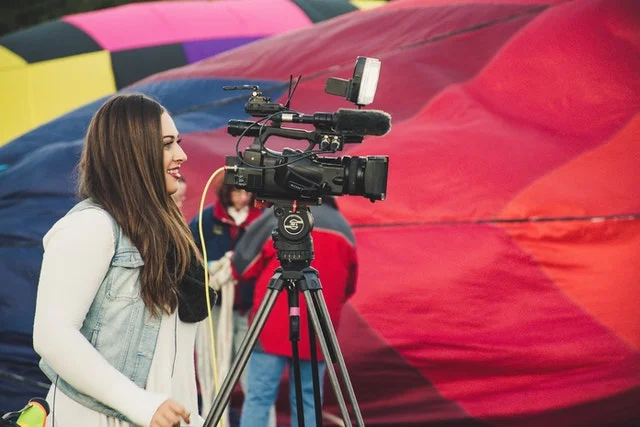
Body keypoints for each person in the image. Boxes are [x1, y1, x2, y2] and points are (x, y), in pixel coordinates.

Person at [33, 93, 213, 427]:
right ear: (133, 152)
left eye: (179, 142)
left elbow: (170, 356)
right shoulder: (90, 226)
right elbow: (52, 335)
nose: (182, 155)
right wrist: (140, 404)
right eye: (167, 144)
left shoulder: (167, 231)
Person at [233, 197, 358, 427]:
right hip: (317, 328)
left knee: (258, 397)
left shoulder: (280, 216)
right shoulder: (343, 227)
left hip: (270, 327)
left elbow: (242, 265)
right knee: (309, 401)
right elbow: (349, 287)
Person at [188, 183, 263, 421]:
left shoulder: (260, 221)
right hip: (216, 310)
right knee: (213, 370)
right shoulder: (207, 219)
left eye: (247, 192)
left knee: (252, 373)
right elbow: (189, 255)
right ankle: (215, 419)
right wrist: (212, 269)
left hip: (247, 310)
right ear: (226, 192)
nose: (243, 197)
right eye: (238, 192)